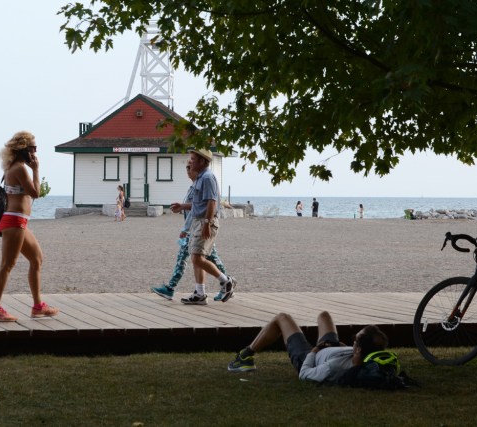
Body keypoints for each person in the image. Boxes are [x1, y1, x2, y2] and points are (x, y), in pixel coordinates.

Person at [0, 131, 59, 322]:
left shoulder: (13, 167)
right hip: (14, 221)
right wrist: (36, 169)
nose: (36, 151)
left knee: (37, 259)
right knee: (7, 265)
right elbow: (35, 192)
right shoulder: (19, 169)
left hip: (19, 221)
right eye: (33, 147)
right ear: (24, 149)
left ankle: (38, 306)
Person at [228, 311, 389, 385]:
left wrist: (314, 352)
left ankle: (245, 356)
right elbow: (351, 354)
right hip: (329, 349)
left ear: (359, 350)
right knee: (324, 316)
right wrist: (340, 347)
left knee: (282, 318)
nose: (353, 340)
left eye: (355, 340)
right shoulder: (364, 360)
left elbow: (305, 374)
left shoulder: (333, 368)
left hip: (308, 357)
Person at [151, 164, 230, 302]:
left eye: (190, 167)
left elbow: (204, 207)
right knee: (206, 259)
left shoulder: (205, 180)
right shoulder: (194, 186)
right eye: (187, 167)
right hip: (197, 227)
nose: (188, 170)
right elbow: (195, 207)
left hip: (198, 227)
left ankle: (225, 282)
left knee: (190, 258)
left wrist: (187, 229)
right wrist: (182, 206)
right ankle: (209, 289)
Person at [170, 149, 237, 305]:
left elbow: (211, 203)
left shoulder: (207, 177)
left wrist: (207, 224)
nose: (190, 161)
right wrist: (182, 206)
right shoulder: (200, 178)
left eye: (193, 159)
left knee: (197, 258)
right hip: (198, 221)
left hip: (205, 222)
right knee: (196, 257)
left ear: (202, 161)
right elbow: (198, 203)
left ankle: (226, 281)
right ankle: (200, 294)